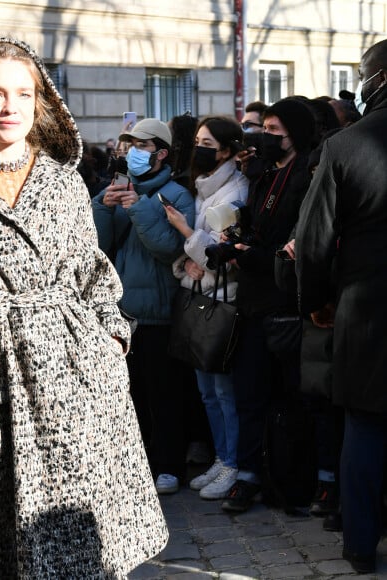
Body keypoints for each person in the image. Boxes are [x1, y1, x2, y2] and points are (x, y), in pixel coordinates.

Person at [0, 37, 168, 577]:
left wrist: (112, 342)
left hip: (79, 378)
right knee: (0, 546)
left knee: (82, 541)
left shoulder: (64, 183)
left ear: (39, 102)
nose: (9, 108)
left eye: (23, 94)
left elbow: (93, 275)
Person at [295, 38, 387, 574]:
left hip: (367, 313)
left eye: (363, 74)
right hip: (363, 308)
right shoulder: (347, 145)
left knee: (366, 429)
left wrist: (317, 302)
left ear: (377, 80)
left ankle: (358, 544)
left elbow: (312, 242)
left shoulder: (347, 145)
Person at [221, 97, 315, 513]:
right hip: (253, 301)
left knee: (290, 396)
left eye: (276, 132)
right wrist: (234, 242)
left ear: (296, 134)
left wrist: (255, 254)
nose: (267, 138)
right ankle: (247, 475)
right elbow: (258, 230)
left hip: (287, 303)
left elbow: (299, 243)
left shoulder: (309, 174)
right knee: (249, 392)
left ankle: (292, 479)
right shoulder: (262, 175)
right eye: (266, 130)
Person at [92, 118, 196, 495]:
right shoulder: (121, 188)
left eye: (141, 146)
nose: (132, 152)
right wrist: (102, 206)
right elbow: (99, 249)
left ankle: (169, 465)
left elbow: (168, 248)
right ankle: (137, 462)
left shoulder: (176, 195)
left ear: (161, 153)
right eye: (128, 145)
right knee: (129, 394)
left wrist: (138, 207)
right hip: (122, 312)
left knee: (164, 393)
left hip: (159, 310)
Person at [165, 116, 248, 500]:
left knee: (224, 390)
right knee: (207, 392)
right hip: (199, 295)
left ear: (228, 150)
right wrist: (189, 260)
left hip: (222, 300)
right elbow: (200, 252)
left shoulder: (235, 190)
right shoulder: (203, 188)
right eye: (197, 140)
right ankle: (220, 456)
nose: (200, 147)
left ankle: (233, 463)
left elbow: (225, 254)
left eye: (208, 142)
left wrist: (186, 234)